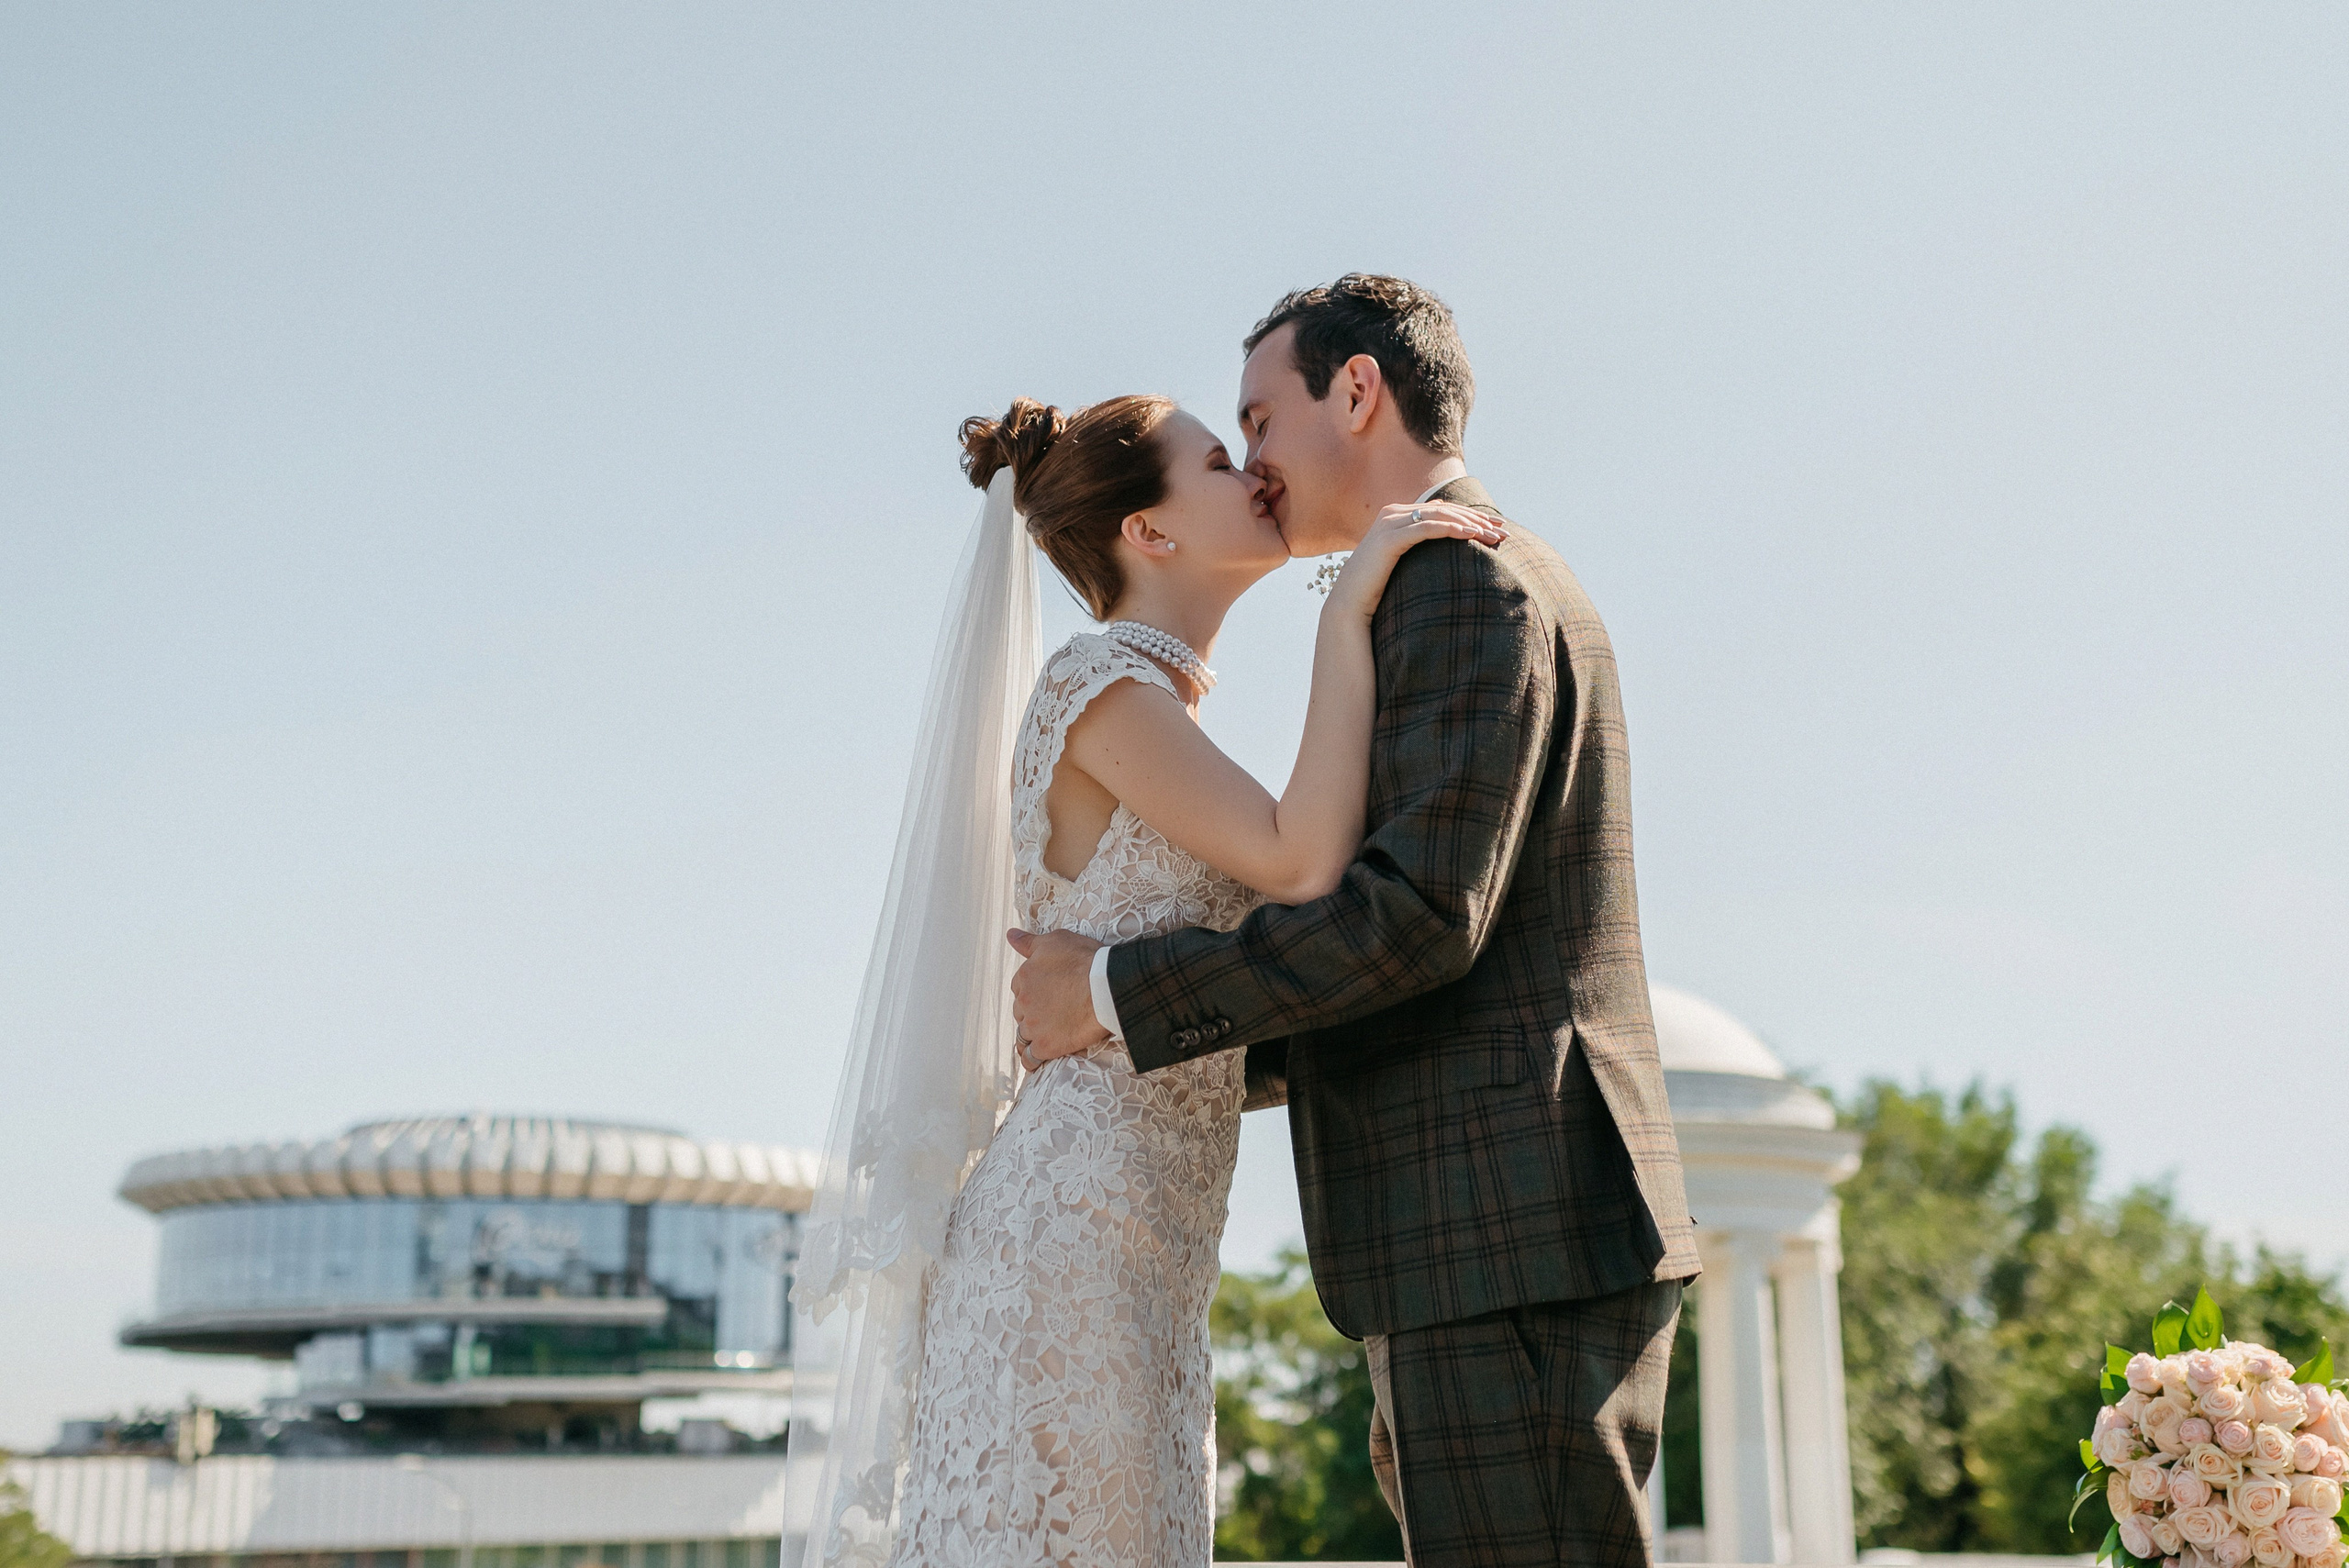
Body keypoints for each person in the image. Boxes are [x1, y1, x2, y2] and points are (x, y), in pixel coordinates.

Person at [1009, 274, 1702, 1568]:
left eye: (1258, 422)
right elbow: (1387, 944)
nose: (1257, 463)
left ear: (1360, 390)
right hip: (1480, 1236)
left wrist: (1111, 1000)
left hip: (1502, 1235)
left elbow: (1414, 920)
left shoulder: (1458, 583)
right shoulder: (1428, 584)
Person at [785, 381, 1499, 1566]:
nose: (1257, 473)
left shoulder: (1153, 702)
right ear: (1150, 533)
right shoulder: (1103, 684)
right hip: (1074, 1224)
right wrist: (1348, 608)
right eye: (1222, 460)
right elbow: (1301, 858)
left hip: (1148, 1237)